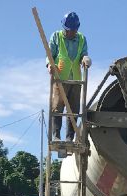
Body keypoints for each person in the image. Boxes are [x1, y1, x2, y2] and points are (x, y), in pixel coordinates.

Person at [48, 11, 90, 142]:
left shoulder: (81, 38)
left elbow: (84, 53)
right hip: (60, 76)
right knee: (57, 106)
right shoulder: (56, 36)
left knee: (74, 109)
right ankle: (56, 135)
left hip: (76, 79)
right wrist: (50, 65)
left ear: (76, 29)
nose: (68, 33)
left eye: (71, 30)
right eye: (66, 30)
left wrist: (86, 58)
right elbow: (50, 54)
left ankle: (69, 137)